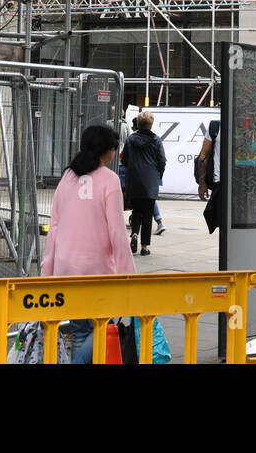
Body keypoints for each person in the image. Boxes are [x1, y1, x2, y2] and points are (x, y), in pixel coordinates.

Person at [42, 124, 135, 363]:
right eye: (113, 148)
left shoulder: (68, 177)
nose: (114, 154)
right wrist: (129, 276)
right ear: (106, 150)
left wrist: (47, 272)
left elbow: (54, 227)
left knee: (81, 331)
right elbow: (117, 232)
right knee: (104, 326)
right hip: (97, 272)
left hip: (66, 270)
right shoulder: (110, 180)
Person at [121, 110, 166, 255]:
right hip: (150, 182)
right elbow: (162, 160)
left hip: (133, 181)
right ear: (151, 124)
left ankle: (134, 234)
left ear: (138, 124)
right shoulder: (156, 140)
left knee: (136, 211)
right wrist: (158, 174)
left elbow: (124, 160)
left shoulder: (130, 140)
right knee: (147, 214)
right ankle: (144, 247)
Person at [197, 119, 222, 234]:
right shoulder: (216, 126)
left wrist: (202, 184)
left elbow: (203, 156)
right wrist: (202, 183)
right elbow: (203, 156)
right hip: (221, 183)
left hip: (223, 184)